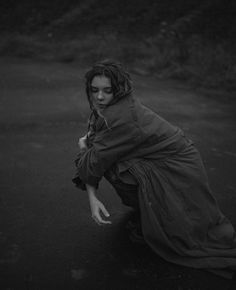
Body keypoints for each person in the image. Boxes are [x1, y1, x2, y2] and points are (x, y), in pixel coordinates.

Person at [72, 60, 236, 279]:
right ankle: (149, 210)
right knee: (112, 162)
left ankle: (156, 215)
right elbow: (96, 155)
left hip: (177, 166)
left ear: (118, 90)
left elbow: (94, 162)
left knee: (115, 168)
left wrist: (84, 151)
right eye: (94, 90)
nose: (100, 97)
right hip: (167, 159)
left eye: (107, 91)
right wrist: (89, 151)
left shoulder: (120, 118)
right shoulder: (114, 108)